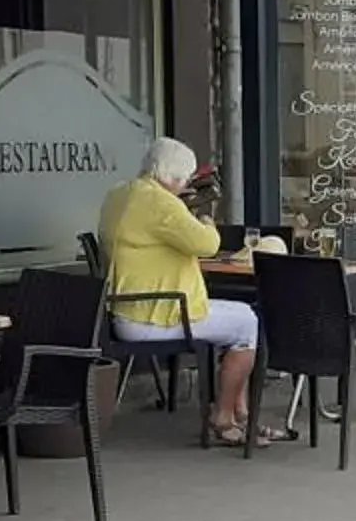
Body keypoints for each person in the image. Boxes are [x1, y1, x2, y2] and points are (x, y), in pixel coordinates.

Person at [100, 138, 289, 447]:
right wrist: (205, 218)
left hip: (126, 308)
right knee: (248, 324)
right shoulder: (161, 203)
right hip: (156, 314)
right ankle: (225, 417)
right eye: (186, 179)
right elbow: (207, 245)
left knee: (241, 317)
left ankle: (241, 413)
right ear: (175, 178)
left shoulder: (120, 193)